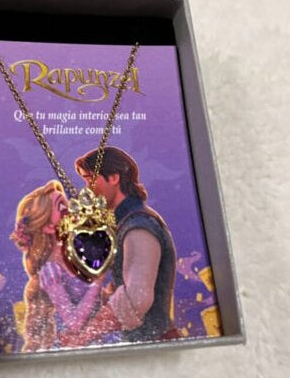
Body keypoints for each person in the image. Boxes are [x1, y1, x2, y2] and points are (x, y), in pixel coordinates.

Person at [59, 146, 177, 347]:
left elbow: (136, 299)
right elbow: (119, 290)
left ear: (114, 177)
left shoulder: (138, 226)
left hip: (154, 347)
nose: (87, 189)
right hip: (145, 346)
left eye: (90, 179)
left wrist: (84, 337)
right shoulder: (126, 224)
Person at [10, 180, 105, 352]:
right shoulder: (50, 271)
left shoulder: (79, 247)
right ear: (48, 227)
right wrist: (97, 283)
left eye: (67, 205)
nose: (71, 210)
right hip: (85, 346)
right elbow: (74, 323)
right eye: (62, 208)